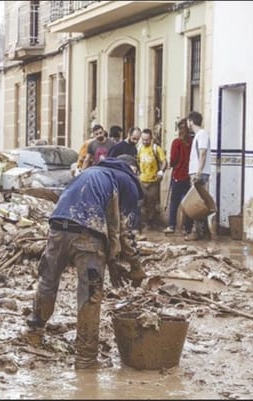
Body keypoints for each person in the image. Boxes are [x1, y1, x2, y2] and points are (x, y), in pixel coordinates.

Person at [23, 156, 145, 369]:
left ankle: (34, 331)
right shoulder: (128, 181)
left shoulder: (91, 172)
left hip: (57, 226)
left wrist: (112, 261)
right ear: (133, 169)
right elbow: (124, 229)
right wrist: (136, 267)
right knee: (90, 295)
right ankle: (86, 359)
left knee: (47, 281)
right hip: (88, 233)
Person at [185, 111, 212, 241]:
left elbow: (202, 153)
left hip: (198, 173)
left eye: (188, 121)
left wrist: (198, 172)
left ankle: (196, 231)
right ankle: (204, 231)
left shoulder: (201, 135)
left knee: (196, 203)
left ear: (190, 121)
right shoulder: (199, 135)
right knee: (200, 202)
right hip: (197, 172)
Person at [163, 119, 194, 234]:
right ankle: (188, 228)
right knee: (188, 202)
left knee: (174, 202)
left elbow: (173, 159)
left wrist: (172, 164)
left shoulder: (176, 142)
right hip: (189, 176)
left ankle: (171, 226)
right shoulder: (192, 142)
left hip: (178, 175)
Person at [137, 129, 167, 230]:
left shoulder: (156, 149)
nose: (145, 142)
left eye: (147, 140)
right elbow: (136, 161)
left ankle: (151, 222)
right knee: (142, 203)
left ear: (151, 139)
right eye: (143, 140)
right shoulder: (139, 148)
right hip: (142, 180)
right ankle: (144, 223)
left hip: (154, 181)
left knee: (152, 203)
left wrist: (161, 171)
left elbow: (164, 161)